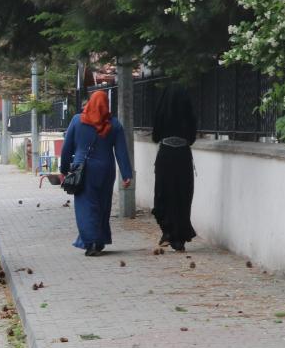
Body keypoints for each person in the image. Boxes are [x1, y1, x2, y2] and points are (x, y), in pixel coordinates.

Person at [60, 91, 133, 256]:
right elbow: (121, 151)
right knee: (102, 206)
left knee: (86, 206)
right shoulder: (114, 124)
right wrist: (127, 174)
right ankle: (99, 240)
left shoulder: (77, 121)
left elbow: (66, 148)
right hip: (106, 170)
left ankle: (90, 242)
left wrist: (64, 170)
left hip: (82, 170)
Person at [151, 84, 198, 252]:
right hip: (183, 156)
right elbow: (192, 136)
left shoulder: (162, 110)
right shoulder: (187, 112)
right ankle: (179, 237)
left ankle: (168, 231)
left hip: (165, 156)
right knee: (182, 195)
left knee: (164, 193)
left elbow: (155, 136)